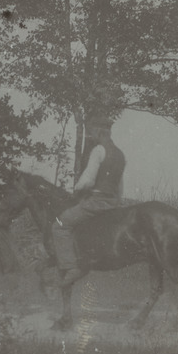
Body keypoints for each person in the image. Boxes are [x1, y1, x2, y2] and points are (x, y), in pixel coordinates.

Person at [53, 118, 126, 287]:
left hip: (96, 202)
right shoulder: (120, 154)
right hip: (113, 202)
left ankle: (70, 266)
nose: (91, 136)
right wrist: (117, 201)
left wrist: (76, 189)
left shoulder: (98, 150)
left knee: (60, 225)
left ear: (99, 132)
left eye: (92, 132)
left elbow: (88, 180)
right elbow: (120, 185)